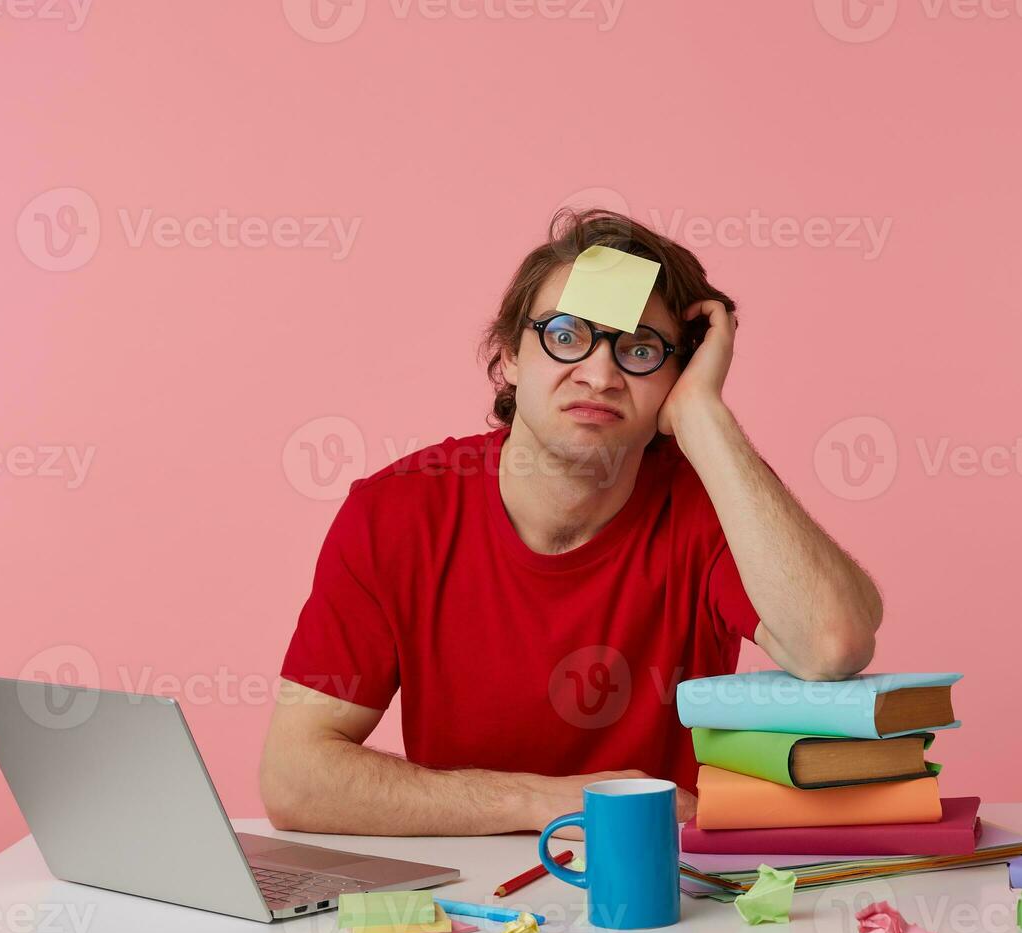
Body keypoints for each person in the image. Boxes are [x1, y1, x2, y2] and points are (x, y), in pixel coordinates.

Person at [260, 208, 882, 837]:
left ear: (676, 375)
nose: (600, 374)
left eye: (641, 349)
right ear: (508, 356)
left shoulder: (712, 500)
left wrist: (704, 417)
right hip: (468, 902)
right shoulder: (395, 513)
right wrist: (546, 803)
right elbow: (294, 777)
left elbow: (832, 645)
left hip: (666, 886)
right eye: (566, 335)